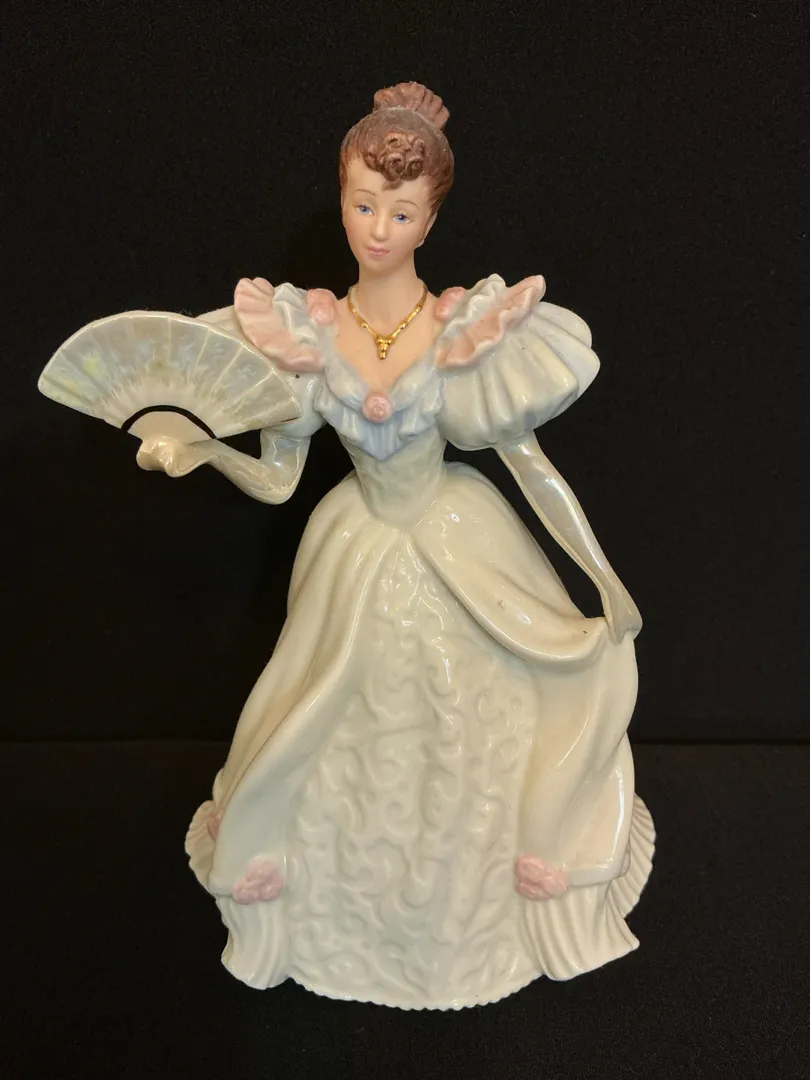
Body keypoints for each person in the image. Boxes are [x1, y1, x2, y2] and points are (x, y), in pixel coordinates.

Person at [138, 81, 654, 1010]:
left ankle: (506, 876)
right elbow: (280, 480)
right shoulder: (306, 330)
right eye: (364, 203)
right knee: (316, 713)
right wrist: (202, 448)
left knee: (502, 704)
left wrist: (601, 576)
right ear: (341, 198)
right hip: (357, 547)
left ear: (431, 219)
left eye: (402, 211)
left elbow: (533, 470)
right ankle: (317, 889)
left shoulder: (462, 330)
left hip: (459, 539)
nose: (379, 229)